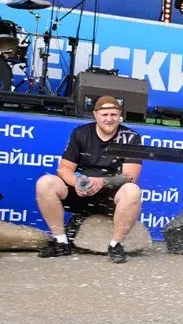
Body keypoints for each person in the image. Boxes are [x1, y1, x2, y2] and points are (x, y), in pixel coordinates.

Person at [34, 95, 143, 264]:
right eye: (104, 115)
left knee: (133, 190)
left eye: (113, 115)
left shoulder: (131, 137)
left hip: (110, 196)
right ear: (95, 114)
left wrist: (102, 182)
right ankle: (61, 242)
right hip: (81, 191)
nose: (109, 119)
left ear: (119, 115)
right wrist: (77, 182)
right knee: (45, 183)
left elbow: (130, 176)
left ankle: (115, 245)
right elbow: (64, 169)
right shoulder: (81, 133)